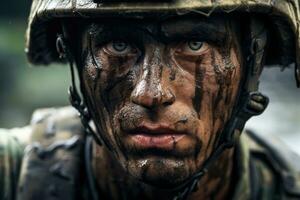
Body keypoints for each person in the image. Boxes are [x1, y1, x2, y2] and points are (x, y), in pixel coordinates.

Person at [1, 0, 300, 199]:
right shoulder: (11, 177)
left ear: (253, 63)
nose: (151, 93)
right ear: (75, 57)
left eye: (195, 44)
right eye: (118, 46)